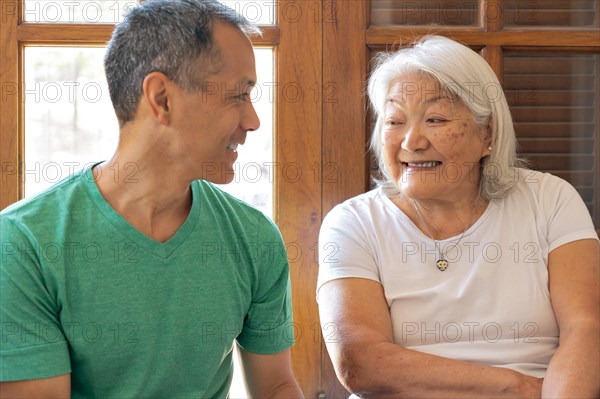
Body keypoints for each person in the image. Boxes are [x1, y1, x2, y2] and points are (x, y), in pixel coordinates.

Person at [0, 1, 304, 397]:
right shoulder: (23, 244)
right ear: (161, 98)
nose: (253, 121)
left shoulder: (255, 237)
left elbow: (276, 386)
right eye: (238, 96)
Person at [317, 35, 599, 398]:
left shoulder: (550, 199)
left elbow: (585, 329)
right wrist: (517, 387)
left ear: (488, 134)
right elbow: (361, 362)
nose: (411, 141)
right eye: (394, 121)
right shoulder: (353, 223)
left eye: (435, 119)